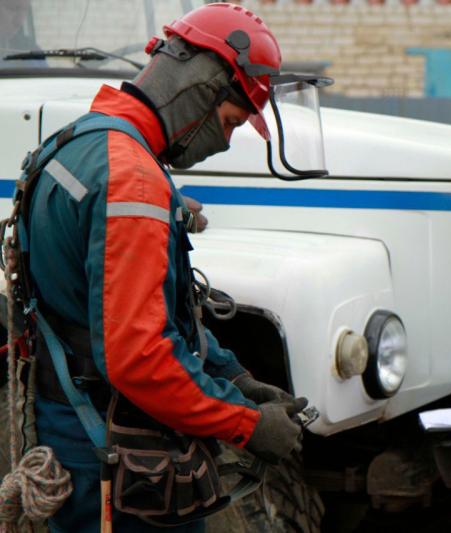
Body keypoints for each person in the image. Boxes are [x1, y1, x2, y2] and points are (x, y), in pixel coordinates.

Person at [19, 3, 309, 531]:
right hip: (121, 459)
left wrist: (236, 377)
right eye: (230, 122)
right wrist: (246, 423)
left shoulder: (75, 143)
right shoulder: (134, 179)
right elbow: (140, 358)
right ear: (200, 87)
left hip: (77, 432)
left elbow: (165, 315)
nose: (223, 142)